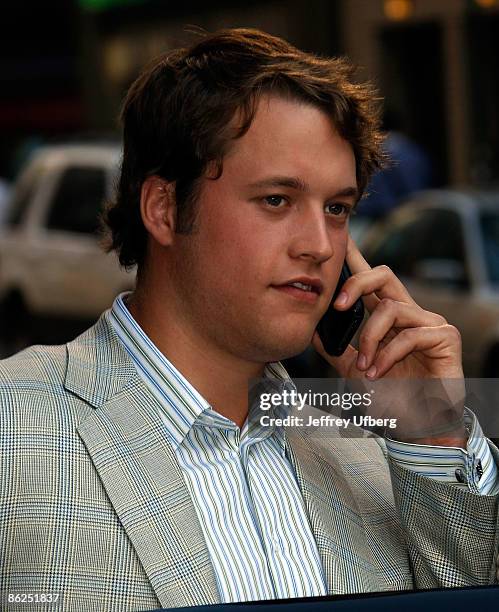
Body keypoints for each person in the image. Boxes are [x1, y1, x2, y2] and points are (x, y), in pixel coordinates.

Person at [1, 28, 498, 612]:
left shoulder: (372, 450)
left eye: (337, 209)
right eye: (276, 201)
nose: (319, 244)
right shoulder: (17, 424)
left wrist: (433, 434)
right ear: (163, 209)